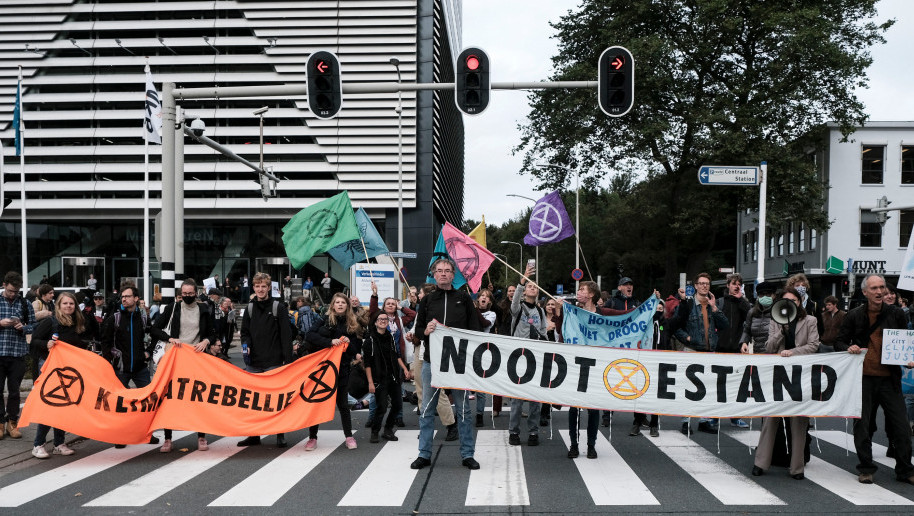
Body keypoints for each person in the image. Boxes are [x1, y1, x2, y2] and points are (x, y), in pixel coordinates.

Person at [834, 274, 914, 485]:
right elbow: (839, 342)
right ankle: (866, 468)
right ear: (865, 292)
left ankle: (905, 469)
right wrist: (847, 347)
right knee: (863, 426)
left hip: (889, 379)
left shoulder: (896, 314)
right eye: (875, 288)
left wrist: (906, 359)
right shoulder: (854, 315)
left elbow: (903, 342)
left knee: (902, 427)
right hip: (862, 379)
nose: (880, 292)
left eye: (882, 288)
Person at [411, 258, 482, 471]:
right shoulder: (427, 300)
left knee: (463, 410)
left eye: (447, 271)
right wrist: (426, 331)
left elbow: (475, 329)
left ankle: (467, 454)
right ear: (434, 274)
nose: (443, 274)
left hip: (458, 364)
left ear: (453, 275)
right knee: (426, 410)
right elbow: (417, 331)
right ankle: (424, 454)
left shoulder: (463, 298)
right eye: (439, 271)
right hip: (432, 363)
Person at [751, 288, 819, 479]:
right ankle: (761, 463)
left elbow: (814, 345)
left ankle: (797, 467)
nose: (790, 303)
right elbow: (769, 347)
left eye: (794, 300)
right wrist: (782, 329)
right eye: (786, 300)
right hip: (779, 377)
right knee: (770, 420)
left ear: (800, 302)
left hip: (800, 376)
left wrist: (793, 352)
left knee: (798, 422)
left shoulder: (810, 321)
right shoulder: (775, 320)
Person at [30, 292, 100, 458]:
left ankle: (58, 443)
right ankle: (38, 444)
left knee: (65, 406)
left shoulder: (78, 322)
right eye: (65, 304)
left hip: (70, 370)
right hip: (52, 368)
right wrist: (46, 344)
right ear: (59, 306)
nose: (68, 306)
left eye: (71, 304)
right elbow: (34, 340)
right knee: (51, 404)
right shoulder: (51, 322)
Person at [150, 279, 216, 452]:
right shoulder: (172, 308)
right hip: (176, 358)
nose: (187, 296)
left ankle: (201, 437)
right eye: (184, 294)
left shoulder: (204, 309)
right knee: (170, 399)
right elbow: (154, 329)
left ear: (196, 293)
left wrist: (206, 341)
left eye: (190, 293)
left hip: (196, 359)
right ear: (180, 294)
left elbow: (212, 332)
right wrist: (169, 338)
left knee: (199, 398)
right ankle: (168, 438)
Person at [237, 272, 295, 448]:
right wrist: (246, 346)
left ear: (269, 288)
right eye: (257, 286)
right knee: (253, 401)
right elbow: (244, 332)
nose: (260, 289)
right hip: (254, 362)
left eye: (264, 286)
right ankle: (254, 435)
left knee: (276, 401)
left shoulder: (279, 307)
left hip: (274, 362)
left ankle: (280, 434)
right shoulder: (250, 308)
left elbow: (286, 335)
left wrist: (288, 361)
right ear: (253, 287)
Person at [100, 285, 159, 447]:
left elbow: (152, 334)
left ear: (136, 298)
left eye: (127, 296)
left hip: (140, 368)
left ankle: (147, 434)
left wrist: (148, 352)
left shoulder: (143, 317)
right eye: (122, 296)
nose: (124, 299)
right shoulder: (116, 317)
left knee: (148, 402)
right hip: (121, 369)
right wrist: (112, 359)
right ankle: (120, 437)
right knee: (120, 404)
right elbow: (105, 341)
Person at [304, 292, 363, 450]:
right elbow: (309, 336)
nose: (340, 305)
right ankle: (312, 438)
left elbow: (355, 350)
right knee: (317, 403)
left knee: (343, 405)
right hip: (323, 370)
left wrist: (348, 344)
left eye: (343, 302)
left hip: (342, 369)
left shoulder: (352, 324)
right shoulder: (324, 319)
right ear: (333, 305)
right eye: (337, 302)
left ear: (347, 306)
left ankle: (349, 436)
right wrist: (330, 342)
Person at [673, 272, 729, 435]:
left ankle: (704, 420)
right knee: (689, 387)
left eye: (707, 284)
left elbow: (725, 325)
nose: (705, 286)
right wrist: (687, 338)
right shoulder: (688, 305)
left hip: (709, 351)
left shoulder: (713, 304)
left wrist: (715, 308)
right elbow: (676, 326)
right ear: (696, 286)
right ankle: (686, 421)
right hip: (692, 350)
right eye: (702, 283)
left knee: (708, 387)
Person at [405, 284, 458, 439]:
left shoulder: (436, 310)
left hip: (432, 353)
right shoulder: (421, 308)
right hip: (419, 351)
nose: (418, 295)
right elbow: (416, 328)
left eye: (420, 292)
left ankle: (451, 424)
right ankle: (425, 425)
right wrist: (411, 334)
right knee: (421, 392)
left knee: (436, 391)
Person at [508, 264, 547, 447]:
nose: (533, 288)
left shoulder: (540, 311)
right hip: (518, 357)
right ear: (524, 292)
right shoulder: (518, 308)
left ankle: (533, 431)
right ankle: (514, 431)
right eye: (530, 286)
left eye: (535, 286)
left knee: (534, 399)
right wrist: (522, 280)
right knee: (516, 399)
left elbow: (543, 332)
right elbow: (514, 300)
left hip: (535, 358)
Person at [367, 283, 416, 428]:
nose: (390, 306)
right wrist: (375, 295)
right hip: (379, 359)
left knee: (397, 390)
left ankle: (398, 417)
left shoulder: (399, 320)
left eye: (393, 304)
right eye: (388, 303)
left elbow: (413, 315)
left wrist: (401, 307)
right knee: (377, 389)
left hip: (396, 358)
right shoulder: (378, 317)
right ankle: (371, 418)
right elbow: (372, 310)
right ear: (383, 306)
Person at [363, 312, 412, 443]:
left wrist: (405, 369)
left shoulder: (390, 337)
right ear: (375, 322)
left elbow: (396, 355)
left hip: (393, 377)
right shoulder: (370, 341)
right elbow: (367, 364)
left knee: (397, 405)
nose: (383, 321)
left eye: (385, 319)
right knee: (382, 407)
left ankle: (388, 430)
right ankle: (375, 431)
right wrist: (370, 382)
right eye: (380, 319)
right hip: (379, 379)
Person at [0, 272, 36, 441]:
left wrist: (24, 327)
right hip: (0, 352)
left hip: (18, 352)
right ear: (4, 285)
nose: (13, 294)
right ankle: (0, 423)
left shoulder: (25, 303)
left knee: (14, 391)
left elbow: (34, 325)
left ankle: (12, 422)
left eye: (16, 291)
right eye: (10, 291)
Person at [716, 273, 752, 429]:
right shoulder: (720, 302)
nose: (736, 286)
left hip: (737, 350)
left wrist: (740, 300)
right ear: (728, 285)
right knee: (718, 385)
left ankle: (735, 417)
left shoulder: (743, 303)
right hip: (720, 349)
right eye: (734, 283)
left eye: (739, 284)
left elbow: (750, 317)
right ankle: (714, 416)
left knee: (736, 386)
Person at [474, 289, 498, 427]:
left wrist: (476, 310)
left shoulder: (491, 314)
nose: (484, 298)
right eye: (482, 295)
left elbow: (484, 324)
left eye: (487, 297)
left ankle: (479, 414)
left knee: (480, 386)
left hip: (482, 351)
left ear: (489, 301)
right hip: (469, 349)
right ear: (478, 298)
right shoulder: (472, 311)